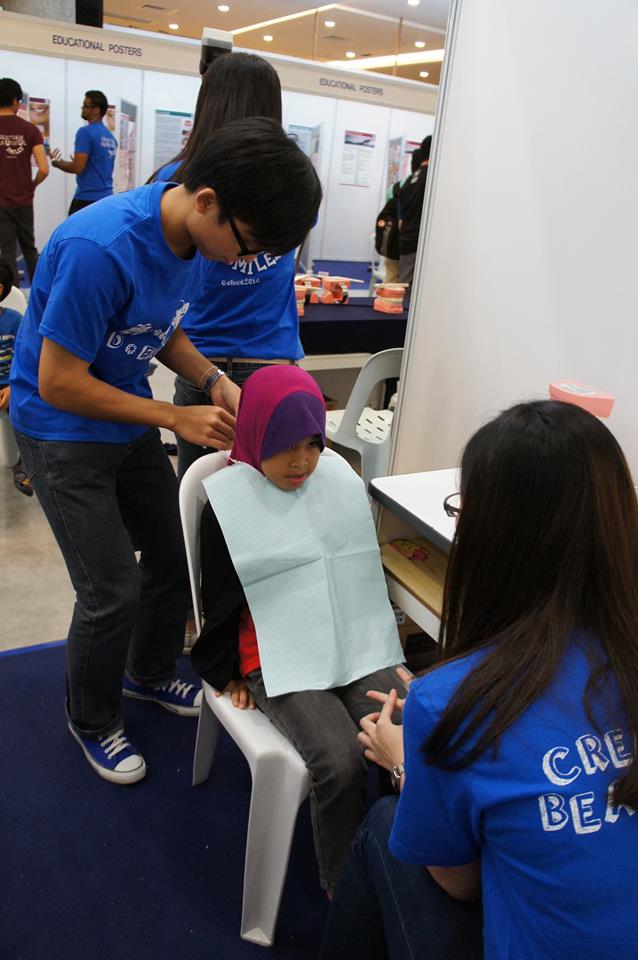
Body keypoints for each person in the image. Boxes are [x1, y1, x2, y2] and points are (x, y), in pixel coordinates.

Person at [10, 117, 322, 786]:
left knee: (174, 559)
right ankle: (91, 718)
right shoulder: (102, 248)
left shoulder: (194, 242)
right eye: (248, 245)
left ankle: (147, 674)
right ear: (207, 201)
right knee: (110, 590)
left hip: (123, 418)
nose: (242, 262)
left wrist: (213, 381)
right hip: (60, 430)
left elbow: (159, 329)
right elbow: (58, 382)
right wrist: (174, 414)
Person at [319, 399, 638, 960]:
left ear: (492, 536)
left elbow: (458, 881)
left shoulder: (447, 701)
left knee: (385, 824)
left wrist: (406, 763)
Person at [192, 365, 406, 894]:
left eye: (312, 444)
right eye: (286, 445)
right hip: (272, 651)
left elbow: (354, 568)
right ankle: (347, 889)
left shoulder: (334, 479)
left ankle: (403, 856)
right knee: (339, 759)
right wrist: (229, 672)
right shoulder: (227, 504)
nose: (302, 461)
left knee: (410, 725)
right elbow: (215, 600)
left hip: (349, 639)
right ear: (255, 432)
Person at [151, 52, 304, 481]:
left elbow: (159, 281)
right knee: (271, 491)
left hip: (197, 354)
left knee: (198, 494)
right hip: (264, 356)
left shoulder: (172, 179)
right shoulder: (290, 182)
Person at [0, 77, 49, 286]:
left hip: (1, 202)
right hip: (24, 200)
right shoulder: (31, 130)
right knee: (29, 248)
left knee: (7, 251)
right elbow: (44, 169)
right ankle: (40, 292)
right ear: (15, 101)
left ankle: (12, 297)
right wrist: (32, 184)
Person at [50, 90, 117, 216]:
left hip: (87, 200)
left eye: (85, 106)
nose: (82, 109)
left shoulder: (85, 132)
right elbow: (96, 164)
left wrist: (56, 162)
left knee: (73, 229)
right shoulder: (111, 138)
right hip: (106, 198)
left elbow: (77, 167)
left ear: (96, 110)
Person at [0, 257, 32, 496]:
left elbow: (25, 361)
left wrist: (13, 387)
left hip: (9, 387)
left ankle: (24, 463)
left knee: (26, 412)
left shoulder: (14, 321)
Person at [375, 149, 421, 285]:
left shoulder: (394, 188)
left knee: (391, 279)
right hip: (412, 245)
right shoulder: (421, 187)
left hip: (393, 243)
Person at [398, 135, 431, 289]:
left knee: (404, 289)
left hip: (407, 240)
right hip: (421, 243)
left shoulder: (410, 180)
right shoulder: (432, 178)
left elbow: (401, 217)